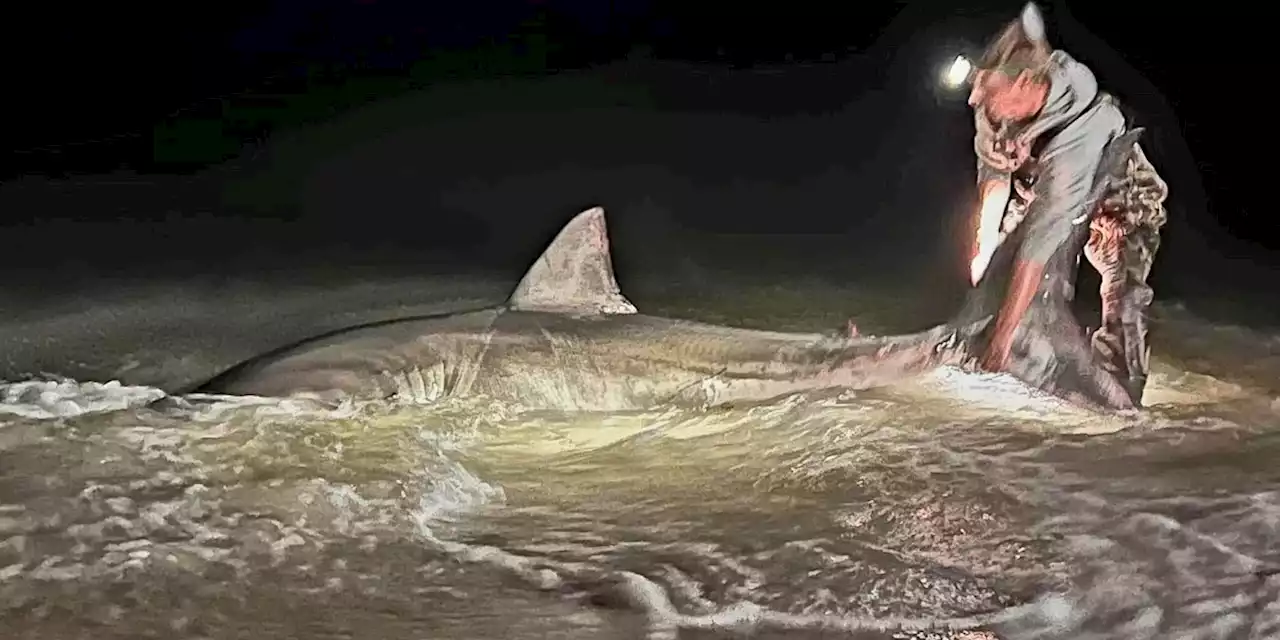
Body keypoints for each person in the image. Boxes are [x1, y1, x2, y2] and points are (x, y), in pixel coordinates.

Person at [959, 2, 1169, 409]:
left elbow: (1042, 239)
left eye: (987, 87)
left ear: (1024, 85)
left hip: (1119, 199)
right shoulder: (994, 104)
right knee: (999, 269)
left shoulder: (1077, 132)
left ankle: (1123, 405)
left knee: (1121, 290)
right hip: (1043, 188)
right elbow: (995, 178)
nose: (973, 99)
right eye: (976, 84)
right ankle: (999, 333)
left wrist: (1000, 344)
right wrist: (984, 247)